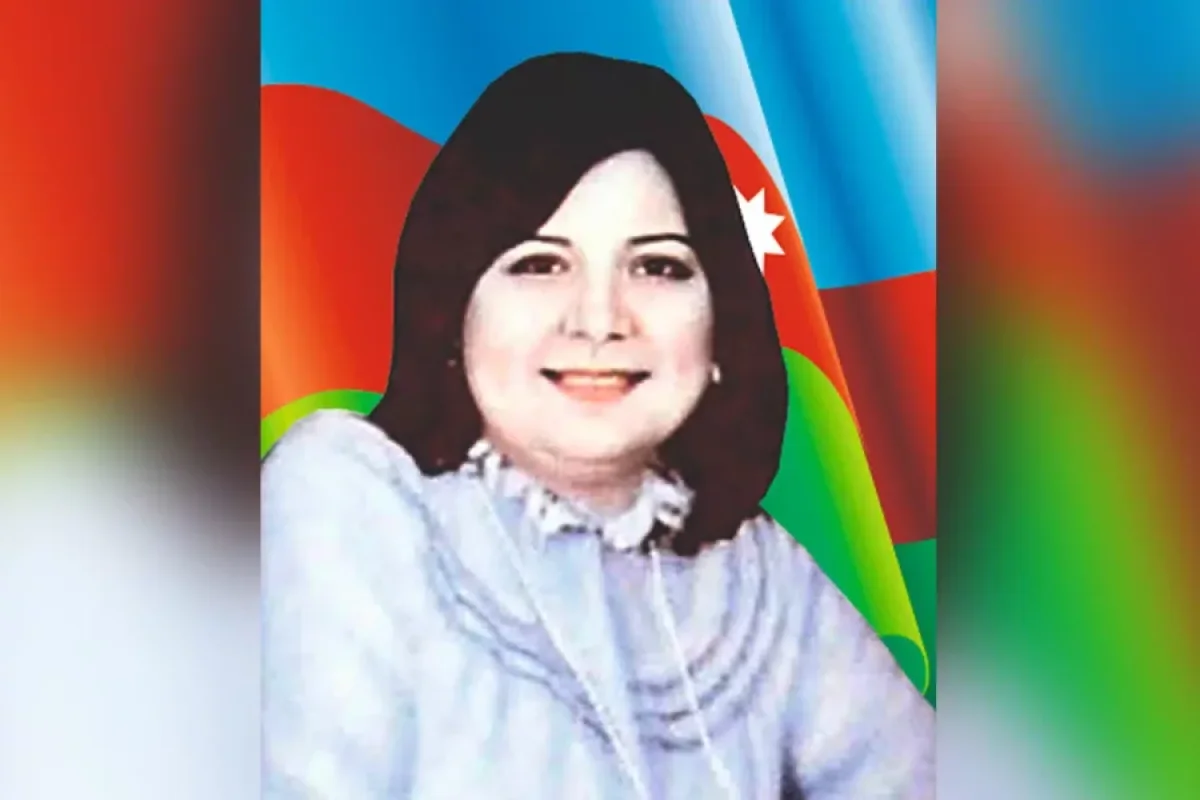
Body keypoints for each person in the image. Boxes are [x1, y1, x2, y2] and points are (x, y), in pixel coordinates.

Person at [262, 52, 934, 799]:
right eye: (540, 265)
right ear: (452, 311)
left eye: (658, 268)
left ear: (722, 325)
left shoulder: (753, 571)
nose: (599, 319)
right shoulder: (349, 495)